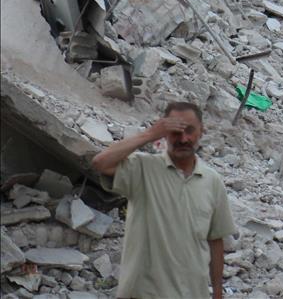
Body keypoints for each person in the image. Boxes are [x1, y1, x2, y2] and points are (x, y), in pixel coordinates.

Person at [91, 102, 234, 299]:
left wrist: (217, 293)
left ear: (201, 131)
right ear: (165, 134)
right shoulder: (142, 168)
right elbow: (100, 163)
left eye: (189, 131)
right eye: (175, 132)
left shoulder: (212, 181)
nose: (183, 139)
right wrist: (149, 134)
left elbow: (215, 240)